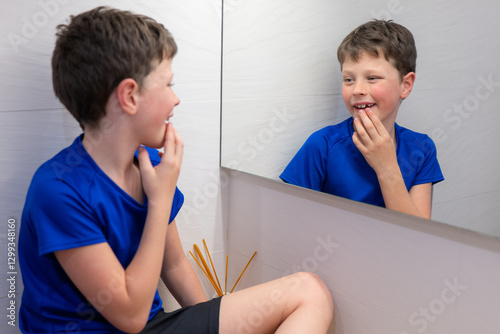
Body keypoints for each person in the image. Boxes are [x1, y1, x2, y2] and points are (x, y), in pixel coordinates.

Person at [18, 6, 333, 334]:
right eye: (168, 84)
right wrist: (159, 201)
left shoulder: (150, 166)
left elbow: (174, 264)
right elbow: (129, 317)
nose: (176, 99)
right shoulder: (57, 189)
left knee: (309, 292)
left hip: (152, 325)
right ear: (129, 96)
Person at [280, 19, 444, 219]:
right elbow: (288, 222)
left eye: (372, 78)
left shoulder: (422, 149)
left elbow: (420, 236)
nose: (357, 90)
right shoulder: (322, 145)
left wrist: (386, 167)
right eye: (348, 79)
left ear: (406, 85)